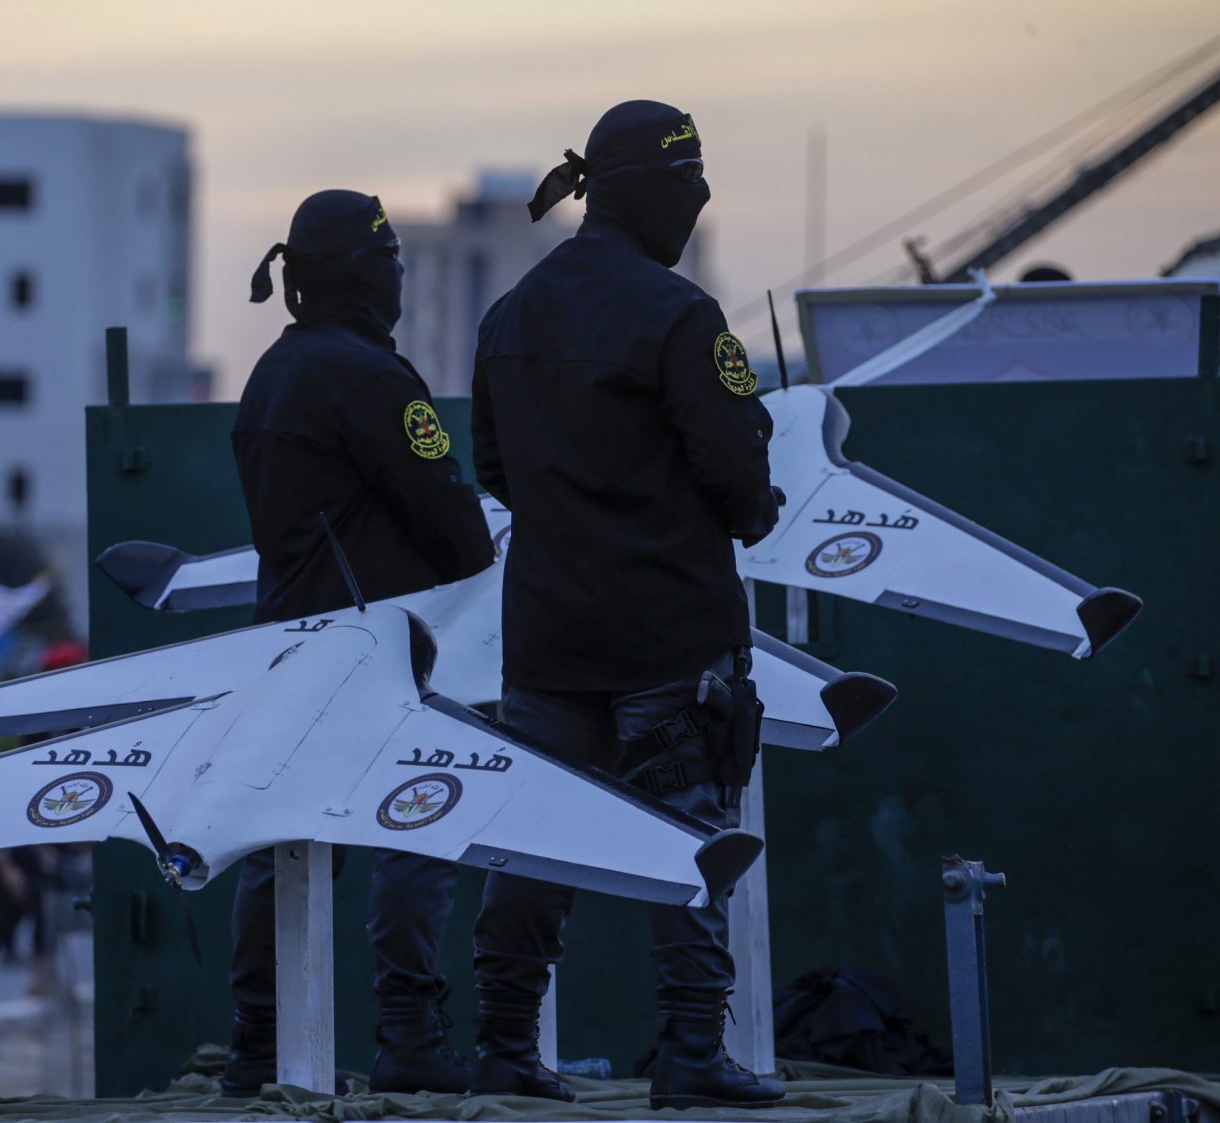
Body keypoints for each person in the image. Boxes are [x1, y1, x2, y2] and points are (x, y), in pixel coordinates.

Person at [469, 100, 786, 1109]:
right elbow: (737, 469)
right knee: (685, 833)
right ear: (657, 192)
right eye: (690, 187)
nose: (697, 207)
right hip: (666, 629)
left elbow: (491, 467)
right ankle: (692, 1052)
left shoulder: (510, 314)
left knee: (531, 838)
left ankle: (506, 1046)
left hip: (547, 630)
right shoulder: (680, 315)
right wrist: (746, 512)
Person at [224, 189, 495, 1095]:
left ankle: (259, 1049)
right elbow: (459, 532)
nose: (400, 279)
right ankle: (412, 1036)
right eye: (392, 262)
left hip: (287, 643)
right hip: (376, 652)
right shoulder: (369, 375)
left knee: (284, 853)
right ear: (366, 273)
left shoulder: (272, 372)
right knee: (417, 827)